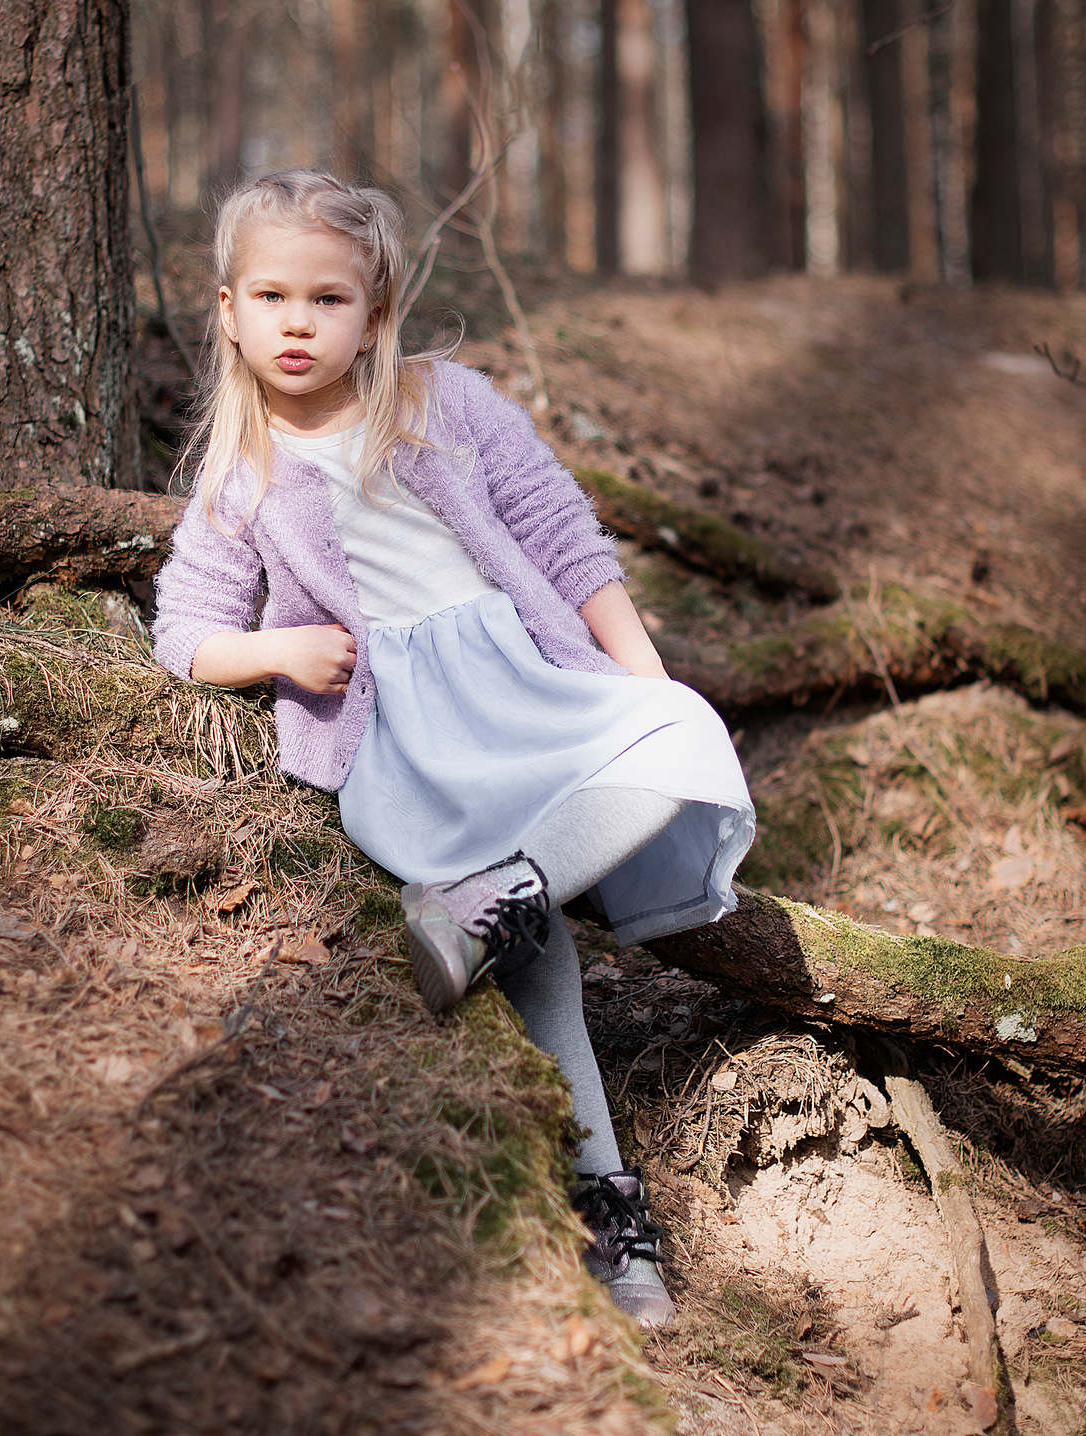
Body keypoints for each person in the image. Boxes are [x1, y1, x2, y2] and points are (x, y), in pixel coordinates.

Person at [149, 170, 753, 1328]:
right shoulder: (242, 473)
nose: (296, 322)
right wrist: (275, 652)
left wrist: (639, 683)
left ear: (374, 313)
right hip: (408, 737)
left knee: (685, 732)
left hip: (524, 691)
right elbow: (184, 630)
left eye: (328, 298)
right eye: (271, 296)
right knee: (541, 966)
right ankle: (608, 1212)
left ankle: (494, 897)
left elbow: (565, 540)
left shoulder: (445, 401)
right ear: (228, 309)